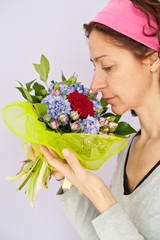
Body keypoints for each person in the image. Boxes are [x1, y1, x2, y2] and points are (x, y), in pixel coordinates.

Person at [40, 0, 160, 239]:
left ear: (152, 59)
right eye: (95, 66)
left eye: (107, 66)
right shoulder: (127, 148)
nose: (95, 84)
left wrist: (100, 193)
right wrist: (67, 179)